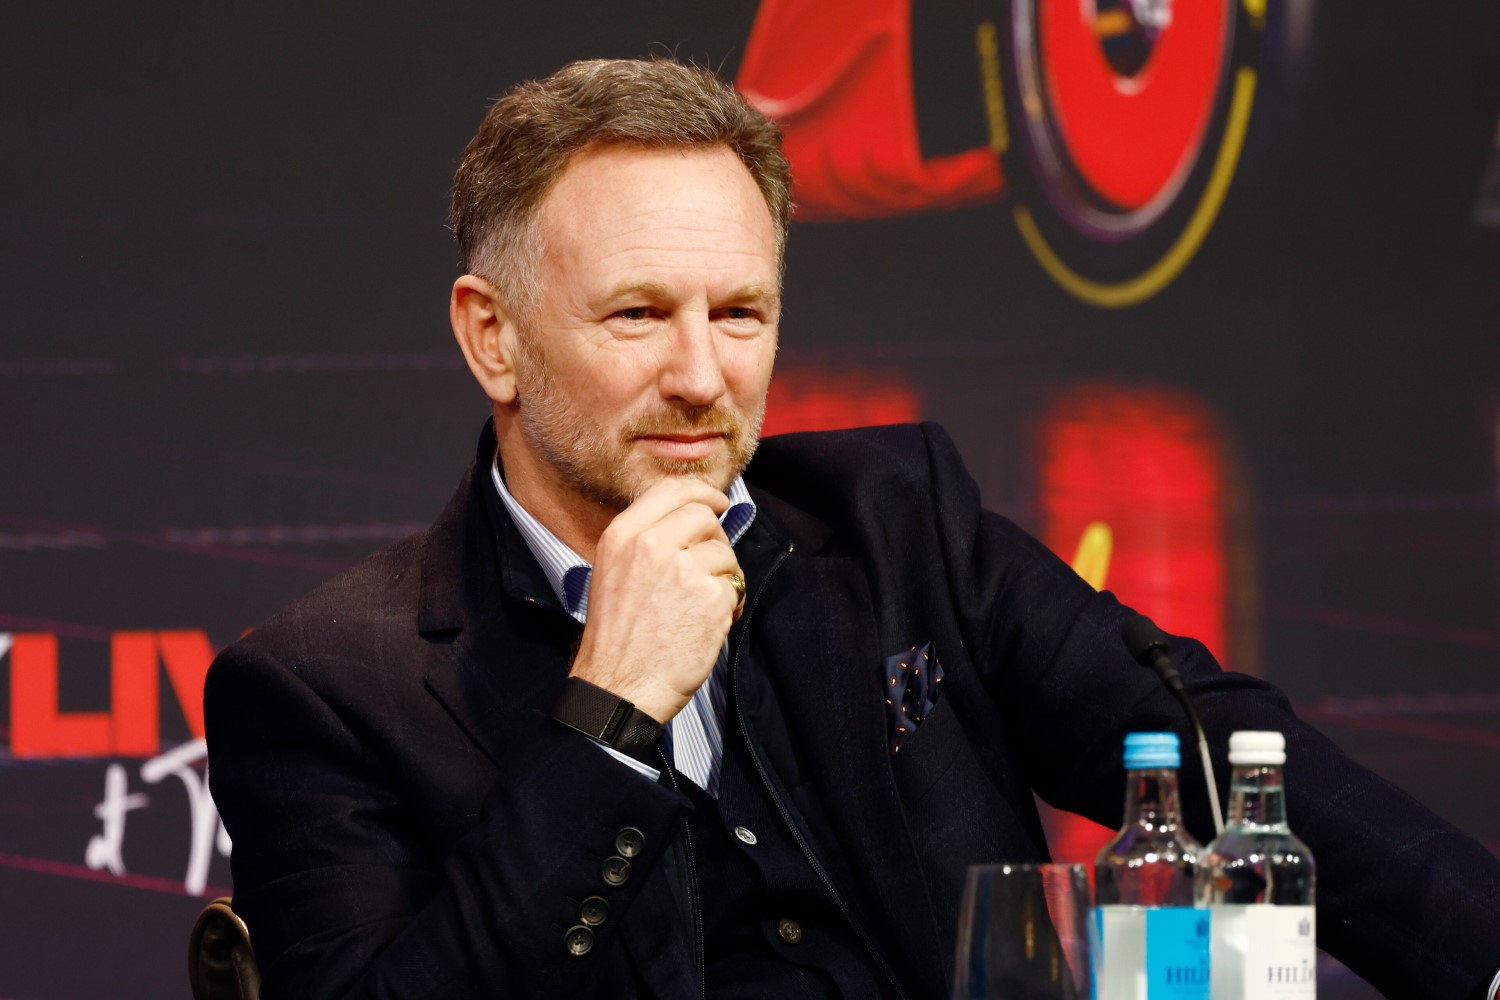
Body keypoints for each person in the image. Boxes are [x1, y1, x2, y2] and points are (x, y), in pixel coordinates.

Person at [204, 58, 1500, 999]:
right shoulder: (326, 686)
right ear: (492, 335)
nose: (704, 376)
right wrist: (608, 715)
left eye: (743, 314)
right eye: (639, 316)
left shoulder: (894, 525)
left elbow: (1206, 744)